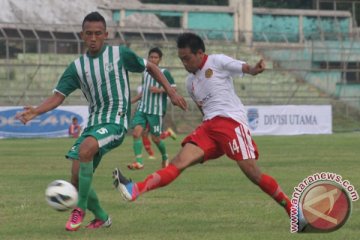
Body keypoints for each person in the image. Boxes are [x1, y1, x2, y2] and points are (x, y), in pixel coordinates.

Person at [15, 12, 186, 232]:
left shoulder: (120, 54)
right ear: (82, 36)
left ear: (106, 34)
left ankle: (80, 209)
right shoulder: (76, 67)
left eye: (98, 33)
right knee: (76, 176)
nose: (93, 38)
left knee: (85, 150)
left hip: (116, 122)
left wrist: (170, 92)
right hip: (94, 124)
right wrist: (36, 111)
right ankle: (103, 218)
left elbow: (150, 67)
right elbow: (58, 96)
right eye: (89, 34)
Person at [113, 33, 292, 221]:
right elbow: (203, 109)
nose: (184, 64)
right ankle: (136, 189)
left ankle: (291, 209)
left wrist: (255, 69)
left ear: (199, 53)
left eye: (187, 59)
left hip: (230, 123)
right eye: (181, 59)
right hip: (209, 127)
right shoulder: (190, 83)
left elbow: (246, 68)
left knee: (253, 174)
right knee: (178, 162)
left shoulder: (217, 61)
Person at [127, 47, 177, 170]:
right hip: (143, 108)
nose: (153, 59)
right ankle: (139, 162)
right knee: (136, 133)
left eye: (155, 57)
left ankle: (165, 157)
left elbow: (173, 89)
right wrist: (130, 102)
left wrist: (159, 90)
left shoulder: (165, 73)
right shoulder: (145, 73)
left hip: (156, 110)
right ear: (148, 58)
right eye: (151, 57)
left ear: (160, 59)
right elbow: (143, 92)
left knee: (155, 138)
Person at [131, 84, 177, 160]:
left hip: (152, 112)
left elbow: (172, 90)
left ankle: (167, 135)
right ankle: (148, 156)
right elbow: (140, 97)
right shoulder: (143, 86)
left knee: (153, 136)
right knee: (144, 134)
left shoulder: (154, 85)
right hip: (144, 111)